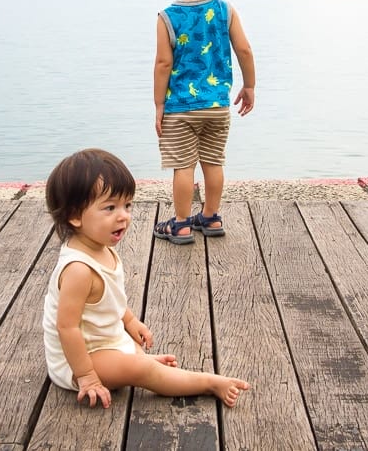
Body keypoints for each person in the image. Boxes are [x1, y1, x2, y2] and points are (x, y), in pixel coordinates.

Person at [42, 148, 251, 408]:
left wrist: (130, 321)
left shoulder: (99, 247)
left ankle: (141, 362)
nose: (124, 216)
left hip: (103, 340)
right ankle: (207, 382)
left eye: (127, 205)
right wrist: (87, 376)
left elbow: (110, 300)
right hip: (77, 359)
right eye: (109, 208)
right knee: (141, 371)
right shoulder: (78, 269)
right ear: (75, 216)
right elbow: (67, 328)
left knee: (136, 356)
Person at [153, 0, 256, 244]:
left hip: (181, 108)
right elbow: (244, 49)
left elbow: (163, 64)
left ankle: (181, 223)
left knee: (183, 167)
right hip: (217, 105)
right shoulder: (225, 10)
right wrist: (249, 85)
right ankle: (211, 217)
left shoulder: (167, 17)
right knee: (213, 161)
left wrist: (159, 105)